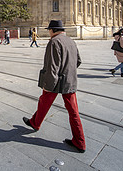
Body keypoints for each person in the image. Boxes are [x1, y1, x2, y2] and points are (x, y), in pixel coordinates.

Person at [22, 20, 85, 153]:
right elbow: (78, 61)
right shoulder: (71, 41)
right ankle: (80, 142)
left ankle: (35, 123)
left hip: (55, 82)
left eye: (49, 30)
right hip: (69, 82)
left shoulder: (54, 42)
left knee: (44, 101)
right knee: (73, 112)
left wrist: (48, 86)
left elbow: (52, 67)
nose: (49, 32)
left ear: (53, 30)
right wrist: (68, 72)